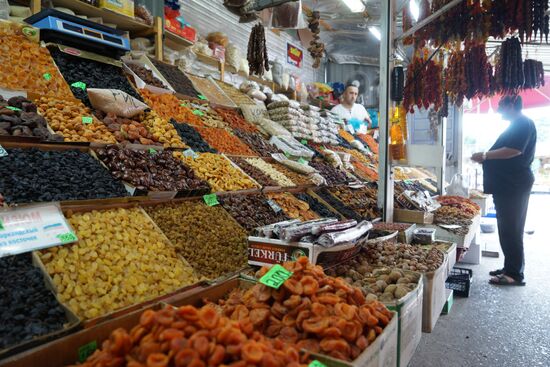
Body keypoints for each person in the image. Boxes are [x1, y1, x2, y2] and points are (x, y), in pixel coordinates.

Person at [471, 95, 537, 286]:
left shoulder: (524, 123)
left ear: (510, 105)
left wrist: (485, 155)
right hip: (508, 185)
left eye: (501, 105)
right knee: (506, 227)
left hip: (514, 184)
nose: (498, 109)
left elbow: (514, 150)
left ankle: (514, 274)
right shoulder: (517, 124)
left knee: (512, 228)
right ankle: (510, 267)